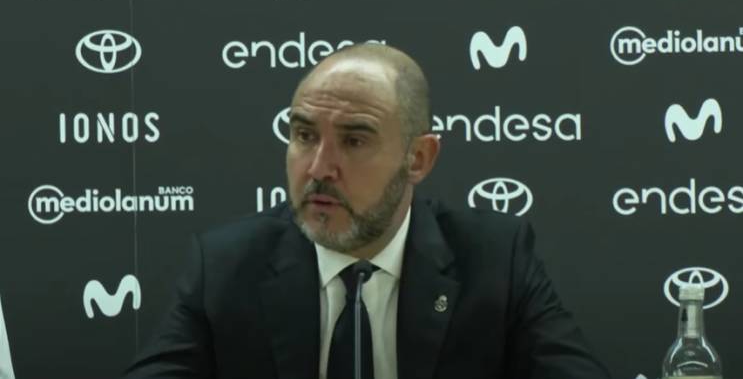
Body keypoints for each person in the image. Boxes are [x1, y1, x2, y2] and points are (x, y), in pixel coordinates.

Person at [122, 43, 611, 379]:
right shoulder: (227, 266)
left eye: (354, 140)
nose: (319, 168)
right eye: (304, 135)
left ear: (418, 159)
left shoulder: (494, 260)